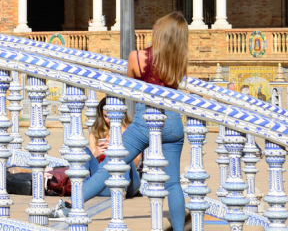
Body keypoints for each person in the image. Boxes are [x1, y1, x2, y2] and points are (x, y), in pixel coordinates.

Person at [54, 12, 188, 231]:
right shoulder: (178, 61)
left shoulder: (138, 57)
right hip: (173, 122)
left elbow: (127, 87)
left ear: (160, 32)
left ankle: (72, 204)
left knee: (110, 165)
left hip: (147, 120)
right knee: (173, 183)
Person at [6, 97, 142, 197]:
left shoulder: (131, 131)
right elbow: (89, 161)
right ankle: (85, 188)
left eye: (112, 115)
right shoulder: (97, 132)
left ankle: (115, 189)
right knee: (83, 152)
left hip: (128, 181)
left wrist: (116, 149)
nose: (109, 120)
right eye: (106, 116)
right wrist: (96, 153)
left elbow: (136, 163)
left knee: (124, 158)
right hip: (102, 178)